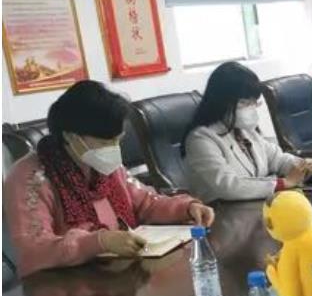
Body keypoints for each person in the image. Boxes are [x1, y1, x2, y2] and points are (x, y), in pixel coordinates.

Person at [3, 81, 215, 276]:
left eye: (118, 140)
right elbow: (34, 250)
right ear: (71, 136)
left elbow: (146, 203)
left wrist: (186, 208)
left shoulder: (105, 165)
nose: (113, 149)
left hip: (120, 274)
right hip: (67, 285)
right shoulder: (30, 177)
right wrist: (99, 242)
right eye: (105, 142)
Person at [183, 62, 312, 202]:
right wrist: (283, 183)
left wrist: (306, 166)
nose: (251, 108)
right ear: (221, 102)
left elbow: (277, 159)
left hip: (254, 205)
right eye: (245, 103)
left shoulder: (244, 130)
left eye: (254, 102)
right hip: (222, 211)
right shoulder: (201, 139)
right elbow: (229, 186)